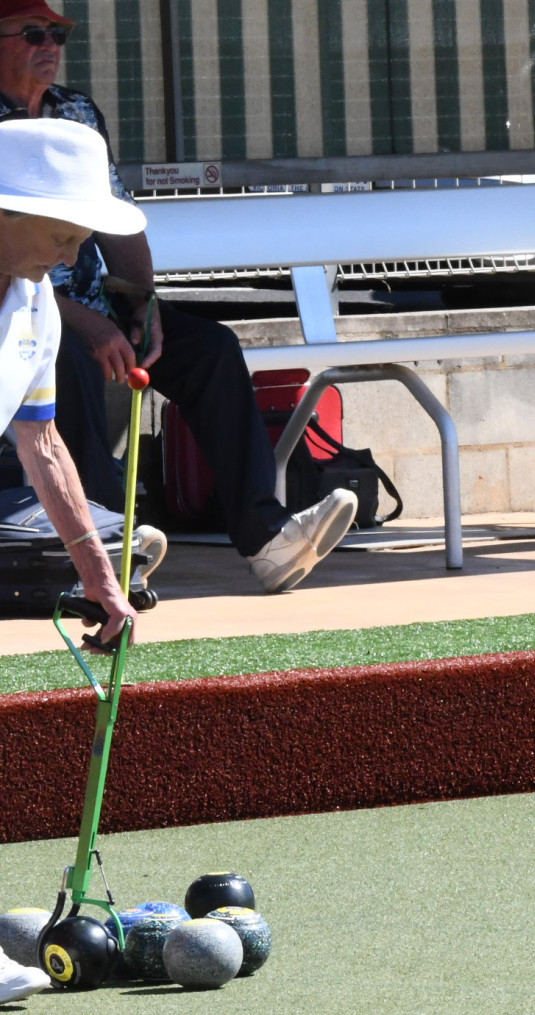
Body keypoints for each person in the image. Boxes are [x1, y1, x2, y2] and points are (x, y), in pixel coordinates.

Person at [0, 0, 357, 592]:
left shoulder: (78, 112)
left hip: (93, 301)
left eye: (58, 32)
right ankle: (110, 534)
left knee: (210, 349)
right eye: (32, 32)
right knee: (67, 360)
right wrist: (88, 325)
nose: (50, 45)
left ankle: (266, 537)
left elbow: (118, 218)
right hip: (29, 306)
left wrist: (142, 304)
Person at [0, 118, 147, 1004]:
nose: (81, 239)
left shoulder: (37, 301)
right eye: (63, 223)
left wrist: (99, 572)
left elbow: (42, 437)